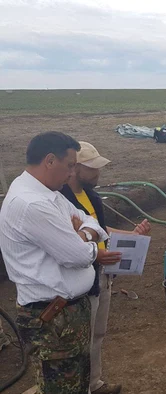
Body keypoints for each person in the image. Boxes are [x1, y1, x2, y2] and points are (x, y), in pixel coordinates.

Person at [0, 132, 122, 393]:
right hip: (52, 319)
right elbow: (76, 256)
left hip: (67, 314)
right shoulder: (32, 203)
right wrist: (82, 242)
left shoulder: (49, 195)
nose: (71, 174)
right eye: (69, 166)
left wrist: (82, 234)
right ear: (50, 161)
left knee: (78, 384)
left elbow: (91, 222)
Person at [60, 141, 151, 394]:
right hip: (82, 277)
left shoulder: (91, 196)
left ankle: (94, 383)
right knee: (83, 337)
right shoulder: (61, 199)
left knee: (98, 333)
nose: (98, 174)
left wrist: (132, 234)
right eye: (92, 169)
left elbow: (101, 229)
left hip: (102, 273)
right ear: (75, 167)